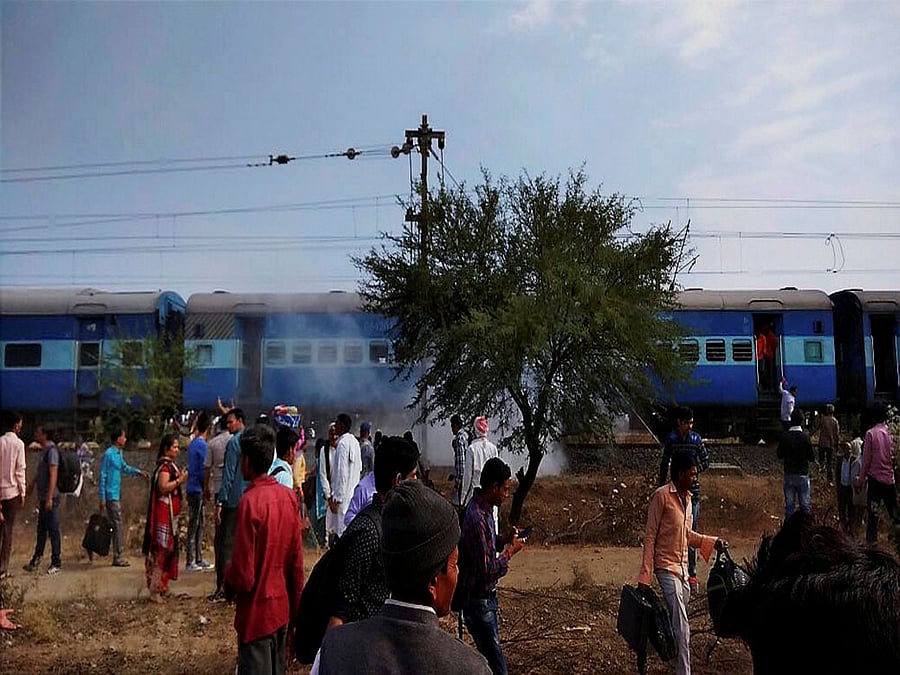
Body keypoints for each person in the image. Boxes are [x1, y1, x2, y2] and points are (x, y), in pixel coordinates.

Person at [313, 479, 491, 675]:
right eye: (453, 565)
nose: (457, 574)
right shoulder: (471, 667)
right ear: (433, 583)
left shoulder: (335, 649)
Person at [224, 424, 305, 675]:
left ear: (246, 461)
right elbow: (296, 565)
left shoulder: (249, 503)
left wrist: (228, 586)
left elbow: (244, 575)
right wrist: (296, 613)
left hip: (256, 616)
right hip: (281, 612)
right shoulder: (288, 497)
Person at [638, 450, 728, 675]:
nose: (695, 478)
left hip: (683, 570)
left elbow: (686, 534)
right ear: (679, 474)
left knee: (676, 623)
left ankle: (657, 646)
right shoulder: (661, 497)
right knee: (683, 626)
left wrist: (712, 542)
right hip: (665, 566)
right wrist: (645, 576)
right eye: (692, 474)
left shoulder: (688, 500)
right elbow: (650, 536)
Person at [327, 435, 420, 630]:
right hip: (362, 640)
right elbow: (342, 607)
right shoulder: (370, 531)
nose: (417, 482)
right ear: (398, 480)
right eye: (413, 476)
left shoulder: (393, 524)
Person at [458, 457, 525, 675]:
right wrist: (510, 552)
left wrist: (503, 539)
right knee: (497, 668)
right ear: (493, 487)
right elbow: (487, 569)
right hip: (478, 601)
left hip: (483, 600)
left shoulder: (483, 509)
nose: (507, 495)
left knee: (490, 662)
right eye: (505, 489)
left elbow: (485, 544)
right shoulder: (477, 517)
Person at [657, 406, 709, 592]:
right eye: (687, 422)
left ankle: (692, 574)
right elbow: (664, 462)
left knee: (690, 533)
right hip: (674, 493)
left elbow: (706, 460)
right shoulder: (671, 440)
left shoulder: (696, 440)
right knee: (676, 533)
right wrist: (661, 484)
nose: (690, 425)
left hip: (692, 494)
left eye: (692, 422)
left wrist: (692, 473)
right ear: (679, 422)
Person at [142, 433, 188, 603]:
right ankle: (155, 589)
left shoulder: (170, 466)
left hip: (171, 515)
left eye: (177, 447)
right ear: (166, 448)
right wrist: (180, 481)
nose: (177, 450)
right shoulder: (164, 468)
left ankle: (163, 586)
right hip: (163, 515)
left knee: (168, 550)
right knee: (161, 550)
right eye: (174, 447)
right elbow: (163, 487)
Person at [98, 426, 148, 568]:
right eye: (124, 436)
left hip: (115, 494)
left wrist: (138, 472)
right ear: (118, 438)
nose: (125, 439)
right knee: (117, 524)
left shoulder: (118, 453)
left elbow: (124, 468)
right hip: (110, 495)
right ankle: (118, 555)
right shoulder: (109, 454)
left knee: (115, 524)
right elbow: (103, 476)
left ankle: (116, 553)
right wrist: (102, 497)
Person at [211, 407, 246, 601]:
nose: (228, 425)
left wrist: (220, 501)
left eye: (231, 421)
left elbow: (229, 474)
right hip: (249, 499)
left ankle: (223, 589)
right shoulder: (251, 439)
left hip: (232, 500)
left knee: (226, 544)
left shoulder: (234, 443)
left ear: (240, 420)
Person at [23, 425, 62, 575]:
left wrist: (50, 498)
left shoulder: (51, 451)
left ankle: (56, 562)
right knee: (42, 529)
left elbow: (53, 475)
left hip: (50, 497)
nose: (35, 435)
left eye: (38, 432)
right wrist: (32, 484)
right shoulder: (44, 451)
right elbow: (41, 471)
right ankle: (36, 559)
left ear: (45, 435)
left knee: (53, 530)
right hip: (44, 497)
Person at [857, 404, 898, 545]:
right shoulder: (891, 434)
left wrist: (860, 481)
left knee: (873, 517)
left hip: (875, 482)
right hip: (890, 481)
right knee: (894, 515)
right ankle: (895, 542)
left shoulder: (870, 434)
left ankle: (872, 546)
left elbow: (866, 461)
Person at [204, 415, 231, 597]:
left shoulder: (212, 444)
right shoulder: (235, 440)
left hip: (218, 490)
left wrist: (206, 488)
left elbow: (207, 469)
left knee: (220, 536)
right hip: (233, 494)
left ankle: (220, 579)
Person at [184, 412, 213, 572]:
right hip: (197, 489)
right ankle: (191, 560)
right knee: (194, 524)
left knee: (198, 524)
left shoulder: (194, 443)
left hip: (193, 488)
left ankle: (198, 558)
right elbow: (203, 469)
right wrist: (206, 487)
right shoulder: (202, 446)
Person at [0, 411, 26, 580]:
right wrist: (22, 492)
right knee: (7, 532)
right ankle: (3, 569)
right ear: (16, 425)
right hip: (11, 494)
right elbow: (20, 470)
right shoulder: (18, 444)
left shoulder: (0, 442)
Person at [776, 409, 815, 517]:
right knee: (805, 506)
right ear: (802, 421)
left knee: (790, 506)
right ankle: (806, 530)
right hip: (802, 474)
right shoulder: (805, 436)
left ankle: (789, 530)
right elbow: (811, 457)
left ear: (791, 420)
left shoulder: (785, 436)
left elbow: (779, 455)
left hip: (789, 474)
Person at [329, 413, 361, 540]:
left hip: (343, 499)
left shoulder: (342, 444)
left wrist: (338, 497)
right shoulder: (355, 442)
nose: (334, 426)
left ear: (341, 426)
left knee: (341, 533)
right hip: (353, 495)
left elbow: (341, 473)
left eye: (336, 423)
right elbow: (359, 469)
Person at [837, 441, 862, 536]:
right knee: (842, 509)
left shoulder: (854, 460)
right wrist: (838, 487)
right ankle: (843, 529)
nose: (849, 452)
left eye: (850, 449)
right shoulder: (840, 461)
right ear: (843, 451)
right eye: (847, 450)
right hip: (842, 487)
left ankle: (852, 530)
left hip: (850, 489)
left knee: (851, 510)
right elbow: (837, 474)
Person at [450, 413, 469, 515]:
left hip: (462, 477)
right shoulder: (467, 435)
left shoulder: (459, 438)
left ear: (455, 426)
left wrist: (458, 480)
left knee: (459, 506)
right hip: (469, 475)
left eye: (452, 426)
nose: (452, 429)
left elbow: (461, 461)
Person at [817, 403, 840, 486]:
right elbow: (837, 435)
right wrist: (836, 445)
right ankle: (829, 480)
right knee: (829, 463)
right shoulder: (835, 422)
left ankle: (820, 476)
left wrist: (809, 436)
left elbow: (816, 428)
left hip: (822, 444)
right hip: (830, 444)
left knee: (821, 461)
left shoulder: (823, 420)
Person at [269, 426, 297, 491]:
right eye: (295, 449)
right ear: (290, 450)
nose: (295, 453)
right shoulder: (285, 477)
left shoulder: (271, 468)